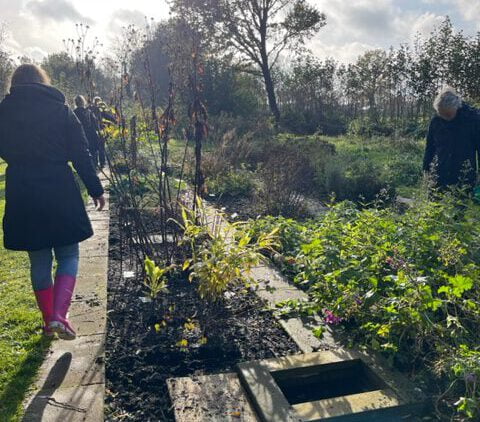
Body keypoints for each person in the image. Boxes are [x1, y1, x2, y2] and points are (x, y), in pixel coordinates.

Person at [0, 64, 106, 340]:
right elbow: (80, 153)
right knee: (69, 253)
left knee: (39, 258)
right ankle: (60, 314)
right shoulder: (61, 111)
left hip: (22, 189)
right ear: (43, 82)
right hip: (59, 187)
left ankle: (49, 320)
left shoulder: (3, 112)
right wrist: (96, 188)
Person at [423, 87, 480, 190]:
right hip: (439, 173)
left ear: (456, 107)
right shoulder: (436, 121)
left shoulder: (473, 119)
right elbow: (430, 147)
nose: (444, 117)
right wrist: (426, 169)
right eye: (441, 114)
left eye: (448, 114)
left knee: (462, 203)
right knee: (436, 203)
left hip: (464, 174)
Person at [89, 96, 116, 169]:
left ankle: (97, 164)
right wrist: (114, 121)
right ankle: (101, 163)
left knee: (96, 148)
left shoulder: (90, 109)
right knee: (100, 148)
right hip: (98, 131)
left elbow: (107, 117)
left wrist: (113, 121)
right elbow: (108, 116)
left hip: (94, 131)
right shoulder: (95, 110)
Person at [74, 95, 100, 169]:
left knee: (84, 153)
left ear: (76, 103)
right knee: (93, 151)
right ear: (83, 102)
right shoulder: (88, 112)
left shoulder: (73, 113)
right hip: (91, 135)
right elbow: (95, 124)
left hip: (80, 136)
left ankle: (88, 167)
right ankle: (95, 166)